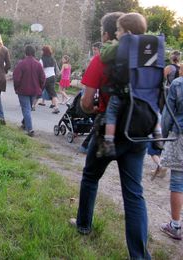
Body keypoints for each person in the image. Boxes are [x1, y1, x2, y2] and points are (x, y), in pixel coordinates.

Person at [70, 12, 152, 259]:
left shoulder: (102, 58)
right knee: (134, 193)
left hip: (109, 131)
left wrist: (91, 108)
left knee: (91, 177)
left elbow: (85, 102)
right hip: (139, 130)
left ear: (115, 33)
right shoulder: (149, 55)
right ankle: (139, 256)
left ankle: (84, 224)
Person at [97, 13, 163, 158]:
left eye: (119, 30)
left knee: (111, 113)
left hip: (125, 93)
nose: (116, 33)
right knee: (154, 107)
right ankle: (157, 133)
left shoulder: (124, 44)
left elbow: (104, 55)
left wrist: (115, 43)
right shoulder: (151, 45)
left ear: (127, 33)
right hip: (148, 92)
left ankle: (108, 142)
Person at [160, 64, 183, 240]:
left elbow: (168, 116)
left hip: (179, 135)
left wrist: (163, 136)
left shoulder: (177, 84)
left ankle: (175, 225)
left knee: (177, 182)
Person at [13, 45, 46, 137]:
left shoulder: (21, 64)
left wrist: (16, 88)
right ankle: (24, 123)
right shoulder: (38, 64)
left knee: (26, 109)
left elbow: (16, 78)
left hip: (23, 90)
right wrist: (40, 88)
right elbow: (43, 78)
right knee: (28, 108)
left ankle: (30, 129)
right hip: (34, 90)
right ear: (34, 53)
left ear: (25, 53)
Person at [40, 45, 60, 114]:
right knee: (53, 93)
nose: (41, 52)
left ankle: (32, 106)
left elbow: (40, 69)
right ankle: (56, 107)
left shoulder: (42, 59)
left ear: (44, 51)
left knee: (38, 92)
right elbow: (55, 69)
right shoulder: (53, 59)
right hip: (52, 77)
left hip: (45, 77)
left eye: (42, 50)